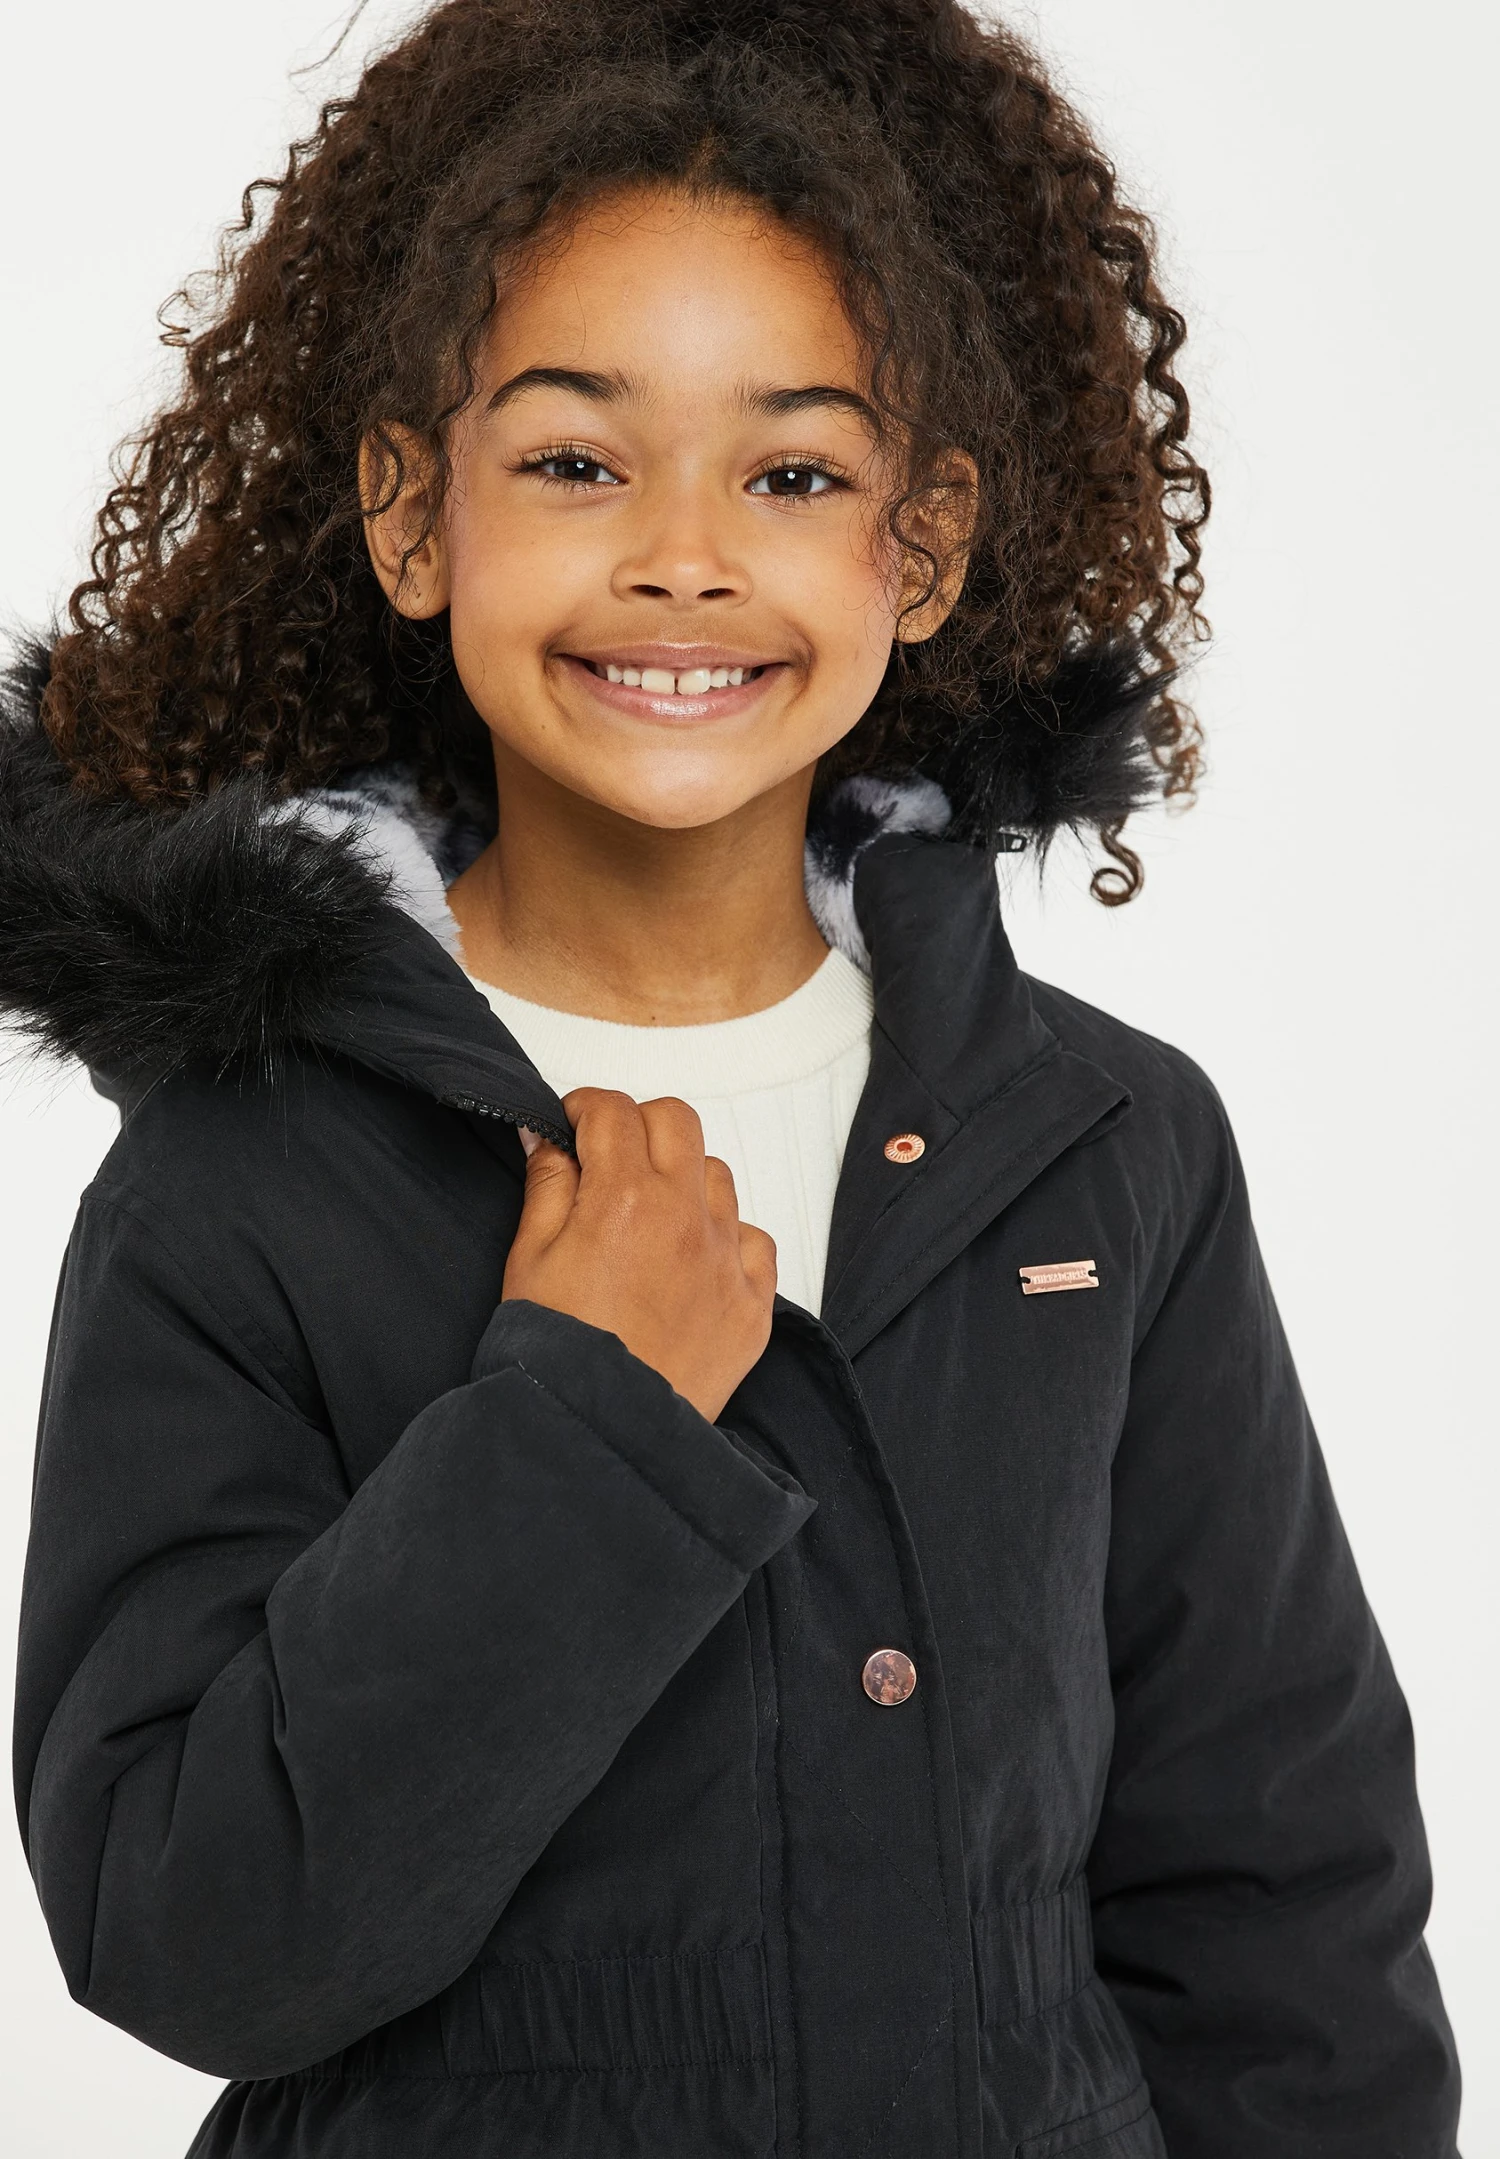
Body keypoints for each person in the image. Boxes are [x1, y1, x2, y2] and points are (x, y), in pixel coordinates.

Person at [0, 2, 1461, 2154]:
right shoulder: (241, 1176)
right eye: (575, 460)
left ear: (923, 544)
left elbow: (1280, 1895)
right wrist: (578, 1419)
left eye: (792, 472)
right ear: (412, 512)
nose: (682, 554)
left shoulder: (1106, 1145)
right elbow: (192, 1933)